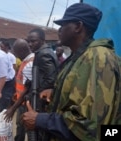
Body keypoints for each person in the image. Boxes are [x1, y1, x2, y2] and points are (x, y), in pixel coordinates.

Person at [21, 3, 121, 141]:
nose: (59, 30)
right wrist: (56, 93)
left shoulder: (99, 58)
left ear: (78, 27)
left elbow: (91, 126)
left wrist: (40, 120)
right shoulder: (80, 57)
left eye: (63, 25)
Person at [4, 39, 34, 141]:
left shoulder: (29, 64)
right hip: (21, 101)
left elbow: (27, 89)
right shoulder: (25, 61)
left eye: (16, 53)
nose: (16, 56)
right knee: (20, 128)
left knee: (28, 130)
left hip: (27, 104)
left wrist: (13, 108)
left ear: (22, 51)